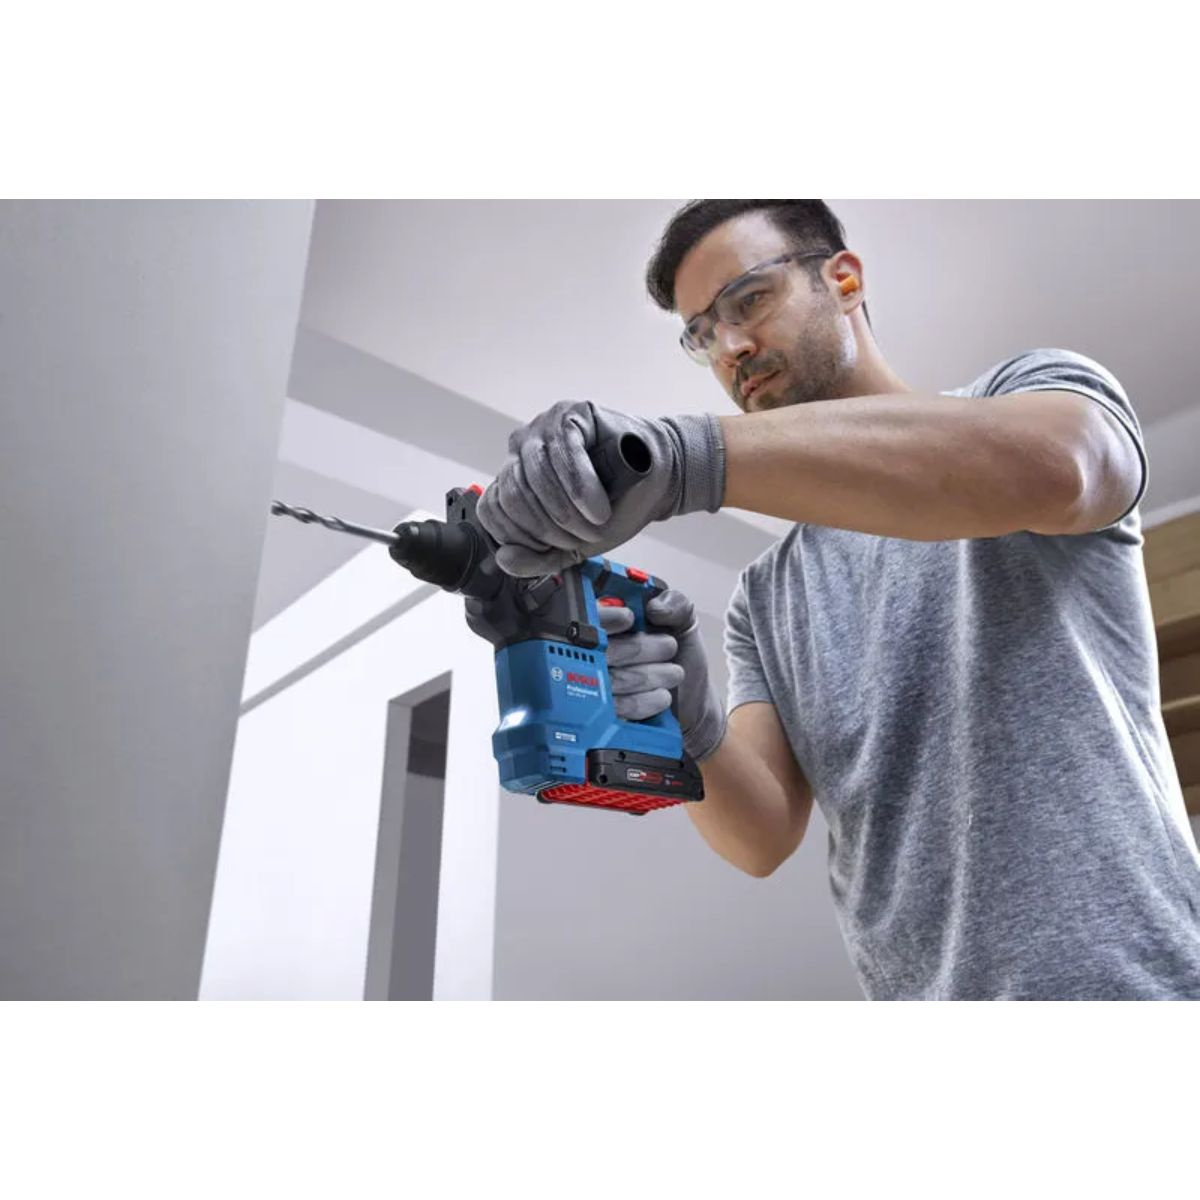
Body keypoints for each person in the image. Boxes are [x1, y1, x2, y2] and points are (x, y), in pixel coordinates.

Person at [474, 199, 1200, 1001]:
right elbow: (760, 838)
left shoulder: (1022, 394)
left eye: (748, 300)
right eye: (703, 335)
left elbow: (1068, 469)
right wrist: (691, 722)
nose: (731, 348)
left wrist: (686, 457)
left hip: (1133, 982)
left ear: (844, 280)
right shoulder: (764, 596)